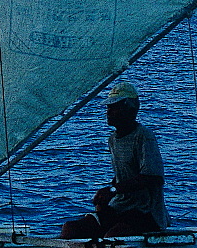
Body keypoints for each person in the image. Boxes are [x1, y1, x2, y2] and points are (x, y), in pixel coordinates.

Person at [61, 81, 171, 238]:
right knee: (70, 228)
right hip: (120, 206)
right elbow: (124, 174)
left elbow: (153, 178)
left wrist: (113, 190)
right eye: (108, 107)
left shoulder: (144, 136)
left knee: (114, 236)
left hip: (145, 212)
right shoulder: (113, 140)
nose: (109, 111)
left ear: (129, 109)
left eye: (114, 107)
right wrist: (106, 196)